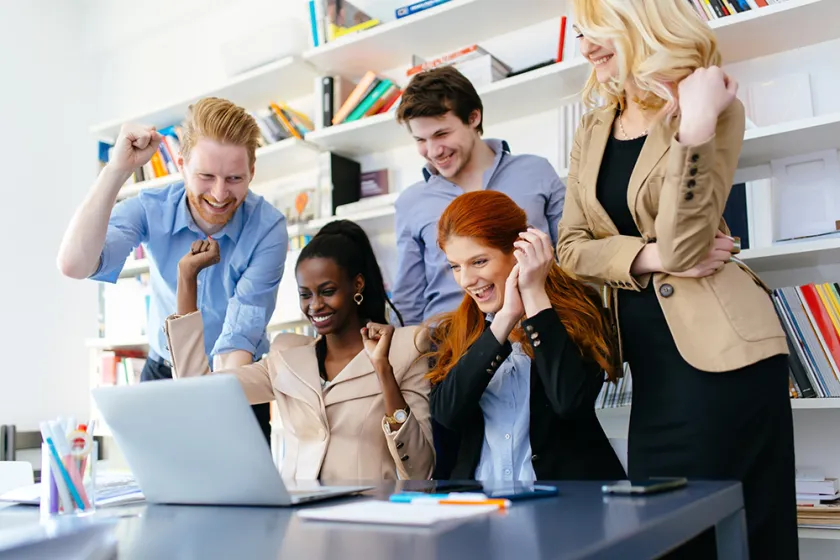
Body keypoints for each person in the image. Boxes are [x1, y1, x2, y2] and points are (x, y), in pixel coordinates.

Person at [555, 0, 797, 557]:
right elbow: (571, 249)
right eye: (581, 36)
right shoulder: (594, 125)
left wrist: (694, 124)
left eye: (598, 32)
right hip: (654, 364)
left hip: (726, 355)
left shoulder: (709, 104)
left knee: (740, 535)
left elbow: (688, 242)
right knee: (665, 534)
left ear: (640, 23)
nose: (586, 48)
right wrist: (649, 257)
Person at [56, 97, 286, 444]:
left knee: (244, 494)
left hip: (235, 379)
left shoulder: (268, 228)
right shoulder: (152, 209)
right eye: (206, 176)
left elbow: (239, 336)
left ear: (252, 171)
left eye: (235, 178)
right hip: (163, 374)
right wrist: (116, 170)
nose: (220, 194)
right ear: (181, 165)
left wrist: (215, 413)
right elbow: (74, 264)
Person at [393, 65, 567, 477]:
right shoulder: (412, 202)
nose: (432, 150)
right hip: (450, 355)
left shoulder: (535, 172)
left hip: (536, 342)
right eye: (420, 140)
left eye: (441, 134)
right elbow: (407, 300)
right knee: (462, 477)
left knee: (548, 463)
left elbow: (570, 257)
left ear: (474, 118)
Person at [164, 220, 434, 481]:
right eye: (305, 294)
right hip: (297, 518)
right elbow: (195, 389)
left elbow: (421, 470)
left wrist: (383, 370)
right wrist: (187, 278)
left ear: (358, 285)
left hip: (366, 519)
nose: (315, 306)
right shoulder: (287, 356)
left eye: (327, 291)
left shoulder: (405, 349)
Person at [426, 190, 625, 482]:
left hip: (568, 502)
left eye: (479, 262)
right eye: (456, 266)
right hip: (482, 505)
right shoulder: (454, 330)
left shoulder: (579, 310)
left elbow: (569, 402)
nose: (466, 280)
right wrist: (503, 322)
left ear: (519, 251)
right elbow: (447, 415)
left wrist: (533, 294)